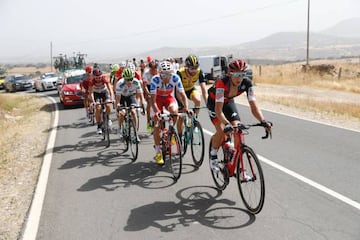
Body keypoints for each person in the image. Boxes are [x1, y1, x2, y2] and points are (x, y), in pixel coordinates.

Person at [207, 59, 272, 171]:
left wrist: (263, 120)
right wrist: (226, 124)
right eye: (236, 74)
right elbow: (218, 110)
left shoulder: (247, 83)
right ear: (229, 73)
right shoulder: (221, 83)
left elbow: (254, 106)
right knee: (222, 130)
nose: (239, 78)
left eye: (242, 74)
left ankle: (238, 162)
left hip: (228, 102)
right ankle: (213, 155)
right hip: (215, 104)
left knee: (238, 127)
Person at [150, 61, 190, 165]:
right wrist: (157, 112)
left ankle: (171, 132)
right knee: (157, 124)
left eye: (169, 74)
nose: (167, 77)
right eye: (164, 74)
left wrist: (186, 108)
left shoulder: (175, 77)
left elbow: (182, 95)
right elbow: (153, 101)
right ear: (159, 73)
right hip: (157, 100)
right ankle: (158, 152)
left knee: (175, 112)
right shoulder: (155, 80)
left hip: (168, 97)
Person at [175, 54, 207, 135]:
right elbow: (178, 93)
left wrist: (208, 103)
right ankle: (179, 136)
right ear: (187, 67)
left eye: (196, 68)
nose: (194, 70)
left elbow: (204, 89)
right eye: (192, 68)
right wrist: (184, 106)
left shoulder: (199, 72)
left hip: (190, 90)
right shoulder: (180, 73)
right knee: (181, 117)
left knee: (198, 100)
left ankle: (194, 121)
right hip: (180, 93)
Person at [115, 68, 145, 142]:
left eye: (131, 79)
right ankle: (119, 128)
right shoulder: (120, 83)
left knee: (133, 112)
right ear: (124, 78)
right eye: (127, 79)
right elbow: (118, 99)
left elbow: (141, 96)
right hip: (121, 97)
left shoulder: (136, 82)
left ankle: (136, 134)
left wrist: (143, 105)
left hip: (130, 96)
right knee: (122, 113)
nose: (129, 81)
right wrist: (118, 106)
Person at [89, 68, 114, 134]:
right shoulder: (91, 81)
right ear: (94, 77)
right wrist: (93, 101)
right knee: (98, 108)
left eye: (99, 77)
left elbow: (110, 88)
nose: (98, 79)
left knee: (108, 105)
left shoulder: (104, 78)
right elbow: (91, 92)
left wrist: (111, 98)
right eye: (96, 78)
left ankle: (108, 118)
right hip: (96, 94)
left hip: (104, 92)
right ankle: (99, 126)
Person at [142, 60, 158, 132]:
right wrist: (148, 94)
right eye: (152, 68)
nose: (154, 70)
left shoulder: (159, 72)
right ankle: (148, 121)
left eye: (155, 68)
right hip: (148, 87)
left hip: (156, 87)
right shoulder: (146, 73)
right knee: (149, 103)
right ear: (150, 68)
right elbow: (144, 86)